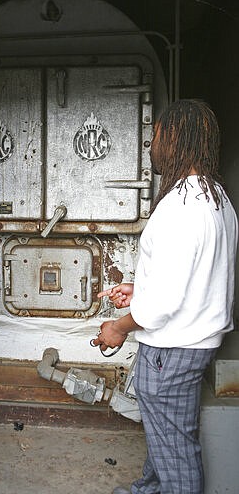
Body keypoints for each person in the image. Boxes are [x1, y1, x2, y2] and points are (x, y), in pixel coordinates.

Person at [93, 99, 238, 494]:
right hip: (195, 343)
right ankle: (148, 490)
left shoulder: (180, 207)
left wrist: (118, 328)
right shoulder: (219, 200)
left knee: (177, 452)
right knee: (166, 434)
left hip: (173, 350)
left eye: (156, 134)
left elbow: (161, 306)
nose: (151, 143)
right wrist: (140, 289)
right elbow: (200, 278)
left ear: (174, 138)